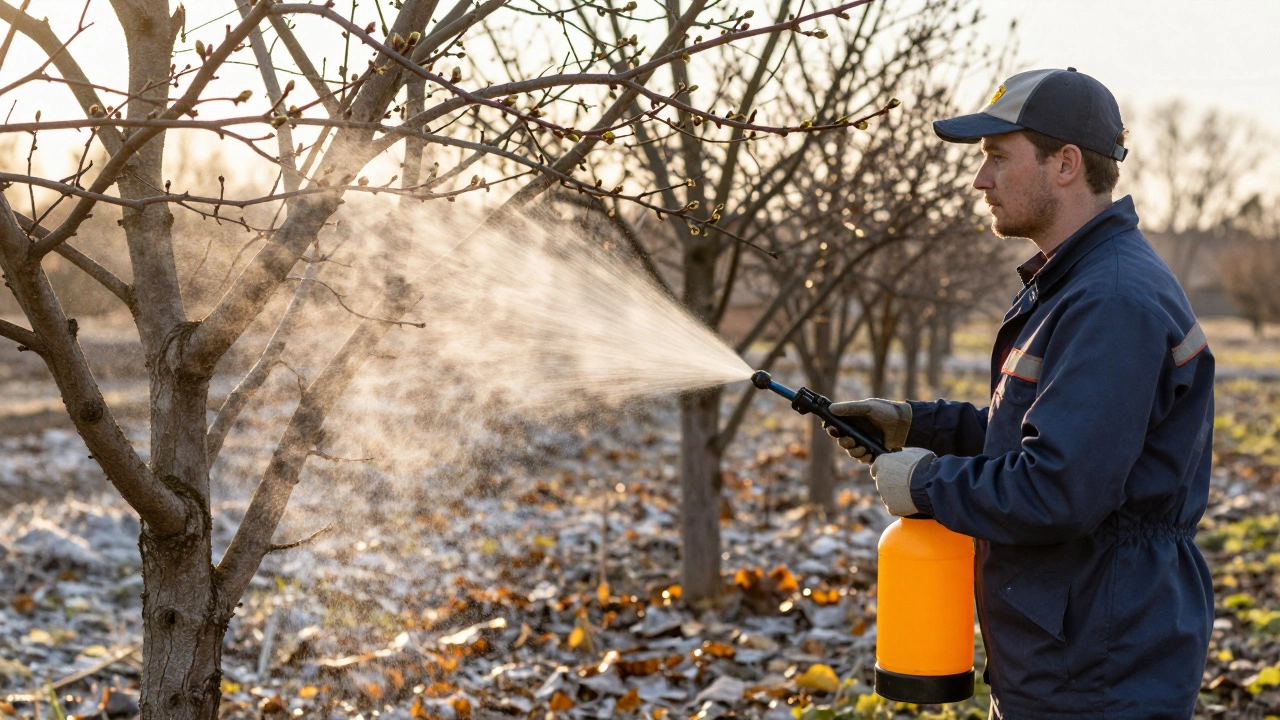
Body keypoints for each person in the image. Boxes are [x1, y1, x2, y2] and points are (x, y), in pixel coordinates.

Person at [829, 68, 1215, 719]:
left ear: (1065, 164)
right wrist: (918, 426)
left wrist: (927, 483)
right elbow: (1045, 436)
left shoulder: (1109, 301)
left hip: (1099, 669)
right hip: (1072, 648)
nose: (980, 181)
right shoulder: (1077, 284)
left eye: (998, 158)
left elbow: (1059, 488)